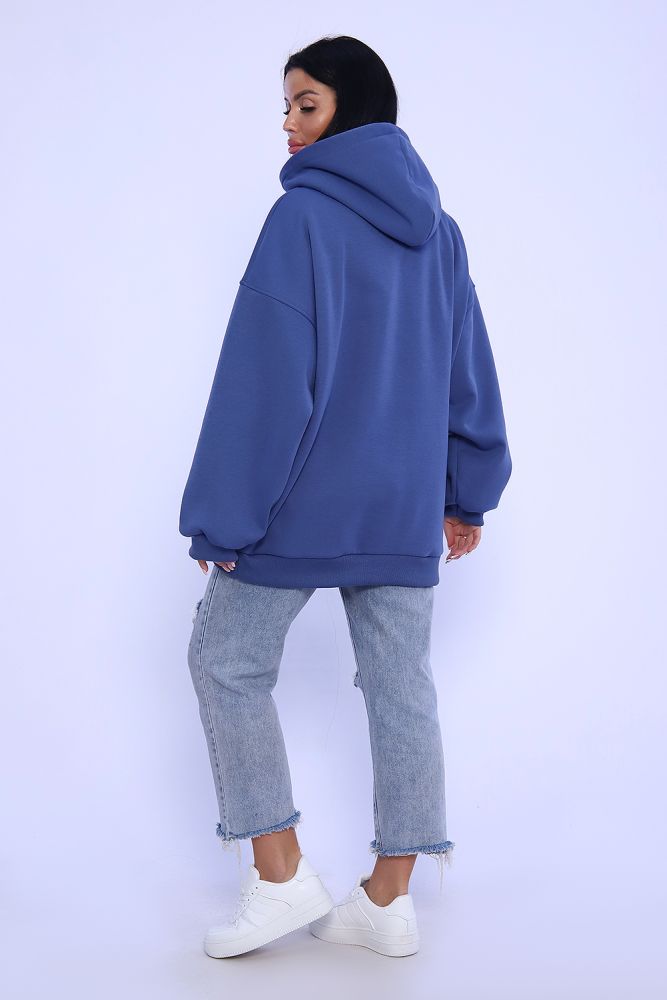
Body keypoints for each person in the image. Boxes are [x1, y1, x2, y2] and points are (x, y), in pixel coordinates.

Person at [179, 34, 512, 959]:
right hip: (401, 503)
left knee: (225, 663)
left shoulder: (302, 219)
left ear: (351, 110)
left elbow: (264, 381)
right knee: (401, 687)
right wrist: (465, 494)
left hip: (301, 503)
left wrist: (223, 515)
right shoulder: (440, 232)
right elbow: (467, 370)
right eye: (286, 106)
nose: (288, 124)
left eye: (306, 104)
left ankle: (280, 876)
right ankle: (388, 901)